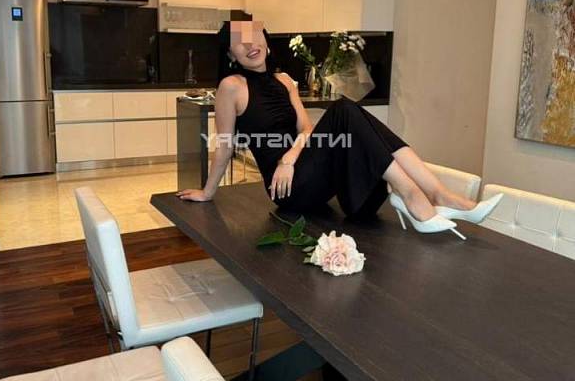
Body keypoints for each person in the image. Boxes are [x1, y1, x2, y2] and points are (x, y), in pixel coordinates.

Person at [176, 21, 502, 236]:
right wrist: (207, 192)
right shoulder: (231, 86)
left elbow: (306, 130)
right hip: (289, 191)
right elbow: (224, 145)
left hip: (309, 174)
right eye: (238, 41)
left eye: (254, 34)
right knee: (344, 110)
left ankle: (437, 194)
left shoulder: (284, 81)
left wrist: (289, 158)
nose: (249, 43)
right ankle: (414, 194)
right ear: (231, 54)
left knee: (357, 121)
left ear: (266, 39)